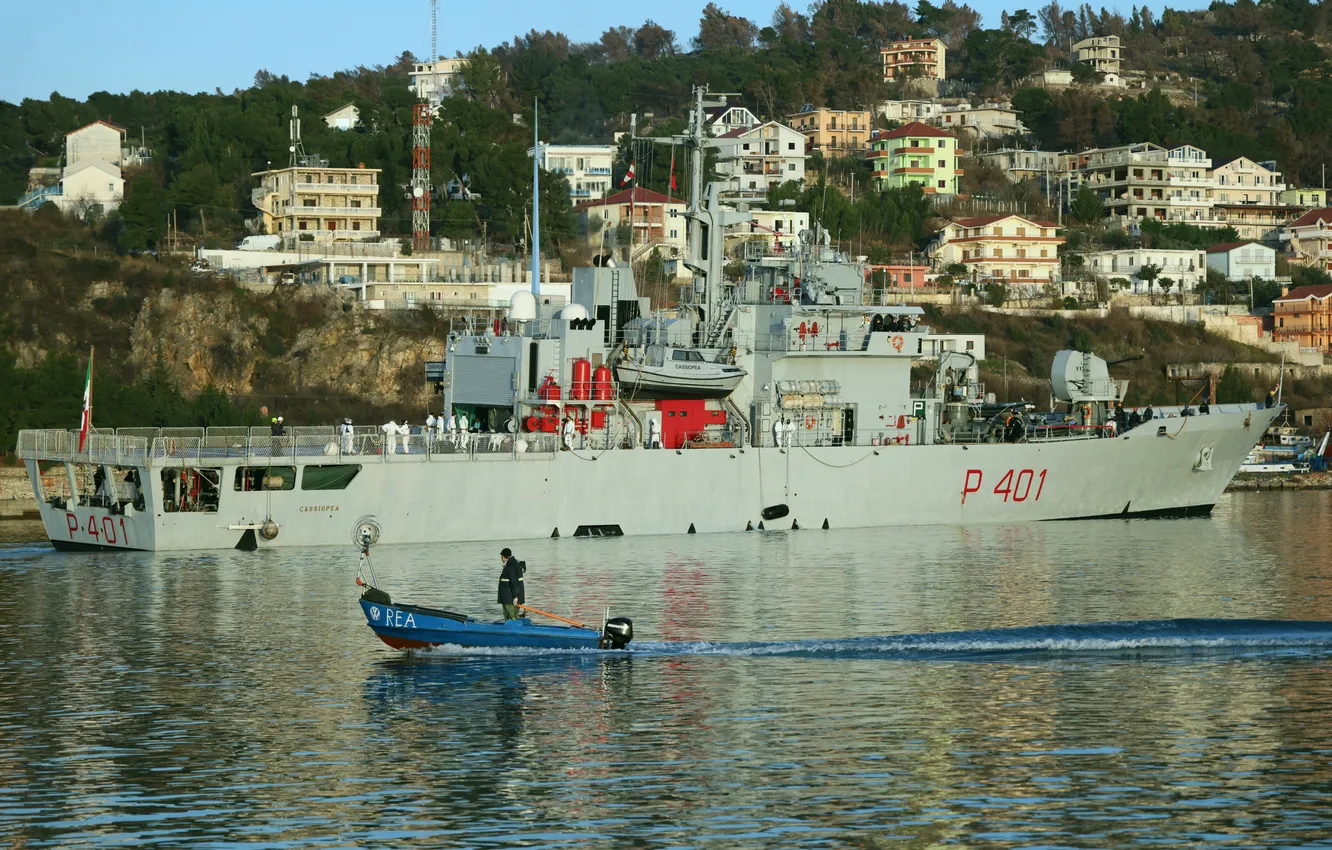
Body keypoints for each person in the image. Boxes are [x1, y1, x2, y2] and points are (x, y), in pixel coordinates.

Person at [497, 547, 525, 620]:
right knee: (513, 617)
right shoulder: (514, 564)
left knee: (511, 617)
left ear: (503, 557)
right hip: (511, 597)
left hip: (509, 599)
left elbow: (514, 582)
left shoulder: (510, 566)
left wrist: (515, 597)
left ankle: (511, 630)